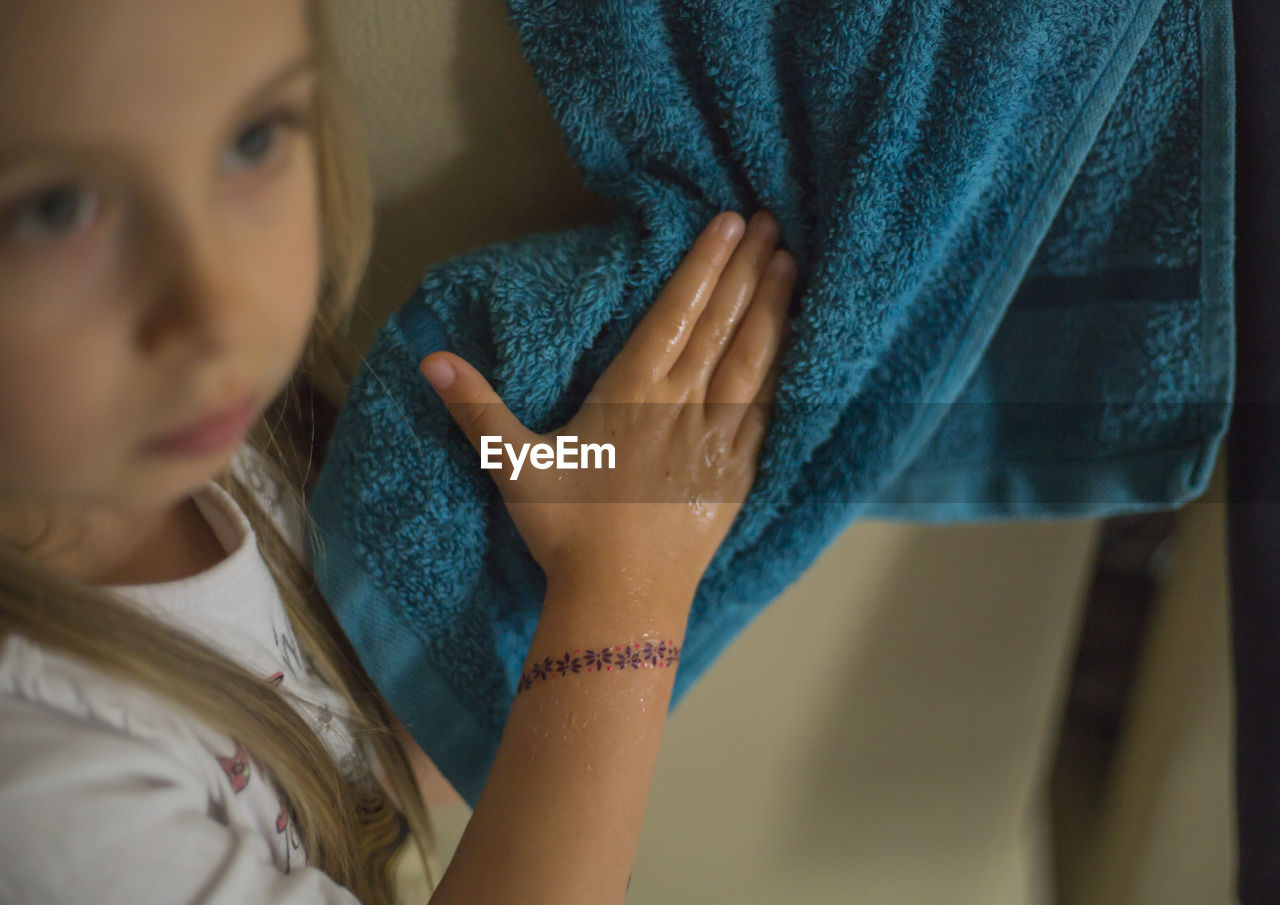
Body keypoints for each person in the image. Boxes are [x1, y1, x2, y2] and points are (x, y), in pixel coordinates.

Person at [0, 0, 796, 903]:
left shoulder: (184, 453)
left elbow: (332, 769)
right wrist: (624, 586)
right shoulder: (37, 805)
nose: (217, 309)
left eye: (253, 140)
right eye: (55, 209)